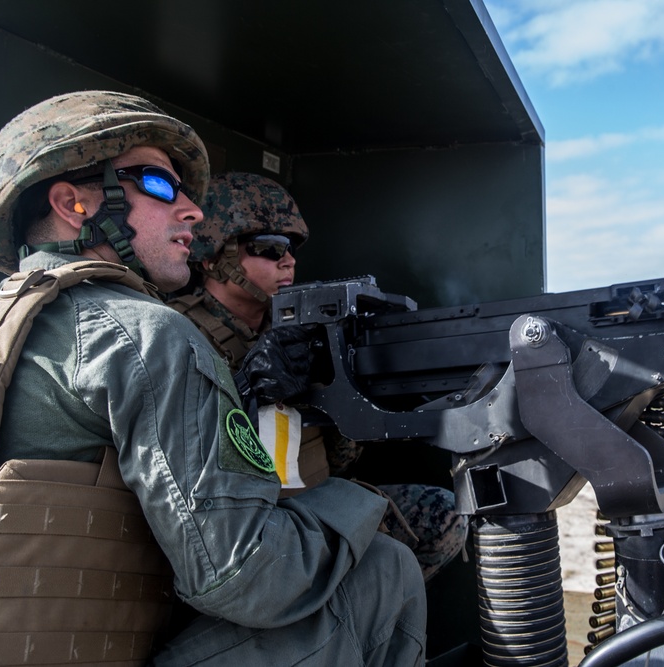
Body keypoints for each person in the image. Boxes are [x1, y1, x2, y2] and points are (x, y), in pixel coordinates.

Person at [0, 90, 425, 665]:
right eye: (161, 185)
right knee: (385, 568)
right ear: (74, 202)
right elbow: (248, 578)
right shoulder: (146, 333)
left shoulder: (6, 318)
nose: (192, 210)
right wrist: (355, 505)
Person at [169, 171, 467, 581]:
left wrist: (338, 386)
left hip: (314, 506)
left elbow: (340, 463)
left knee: (445, 517)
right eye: (269, 248)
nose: (288, 260)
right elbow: (175, 461)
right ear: (212, 257)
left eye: (290, 248)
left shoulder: (298, 330)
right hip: (235, 530)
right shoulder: (175, 332)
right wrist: (248, 389)